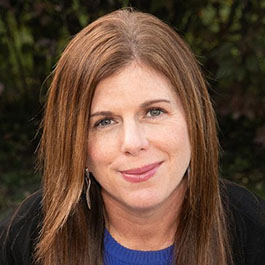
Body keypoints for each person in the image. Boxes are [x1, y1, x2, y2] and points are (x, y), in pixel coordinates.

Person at [0, 8, 264, 265]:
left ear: (195, 119)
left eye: (154, 112)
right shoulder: (24, 238)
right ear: (74, 142)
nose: (133, 143)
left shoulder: (254, 233)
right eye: (104, 122)